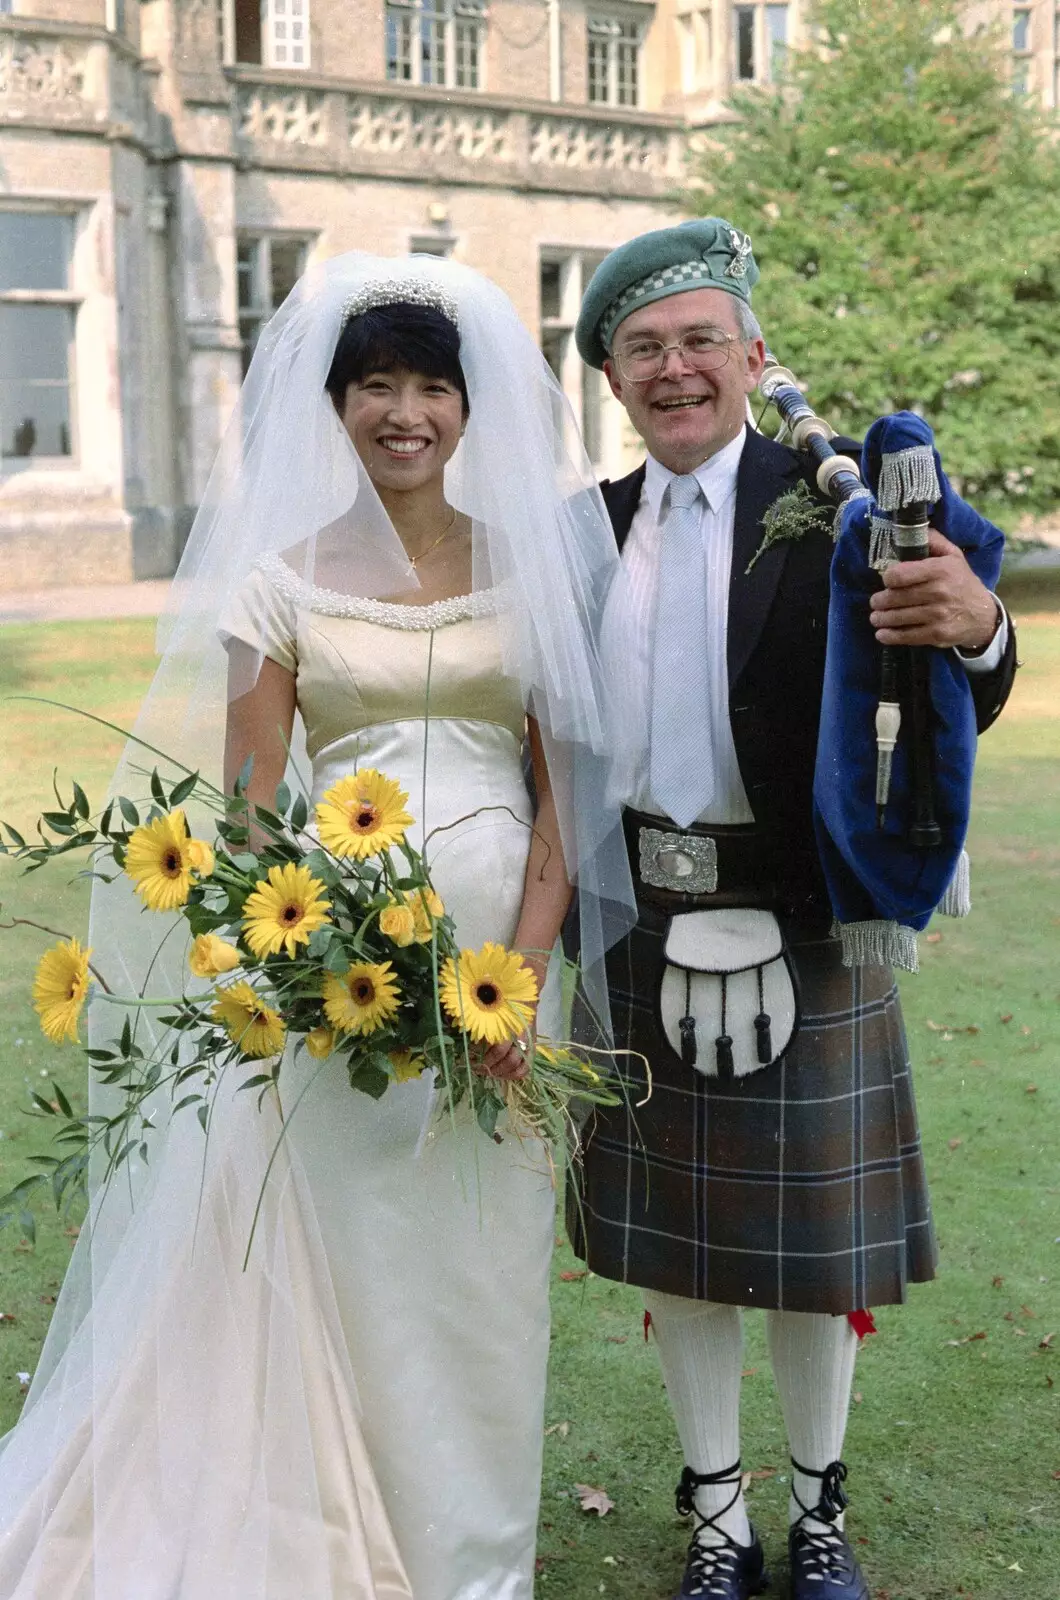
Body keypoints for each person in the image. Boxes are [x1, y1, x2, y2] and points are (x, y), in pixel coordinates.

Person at [0, 255, 635, 1599]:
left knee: (478, 1272)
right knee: (355, 1271)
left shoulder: (531, 572)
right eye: (376, 388)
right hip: (338, 994)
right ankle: (340, 1540)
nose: (404, 412)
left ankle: (475, 1564)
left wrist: (518, 981)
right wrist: (320, 961)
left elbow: (561, 806)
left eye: (429, 388)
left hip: (500, 990)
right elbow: (242, 822)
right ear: (338, 406)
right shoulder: (279, 583)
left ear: (469, 411)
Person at [567, 218, 1017, 1600]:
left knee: (817, 1262)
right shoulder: (586, 529)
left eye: (702, 338)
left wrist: (979, 626)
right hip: (640, 927)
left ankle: (819, 1515)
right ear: (614, 377)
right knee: (687, 1259)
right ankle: (718, 1517)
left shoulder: (843, 514)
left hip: (810, 927)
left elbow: (956, 695)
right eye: (643, 347)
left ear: (753, 354)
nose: (676, 367)